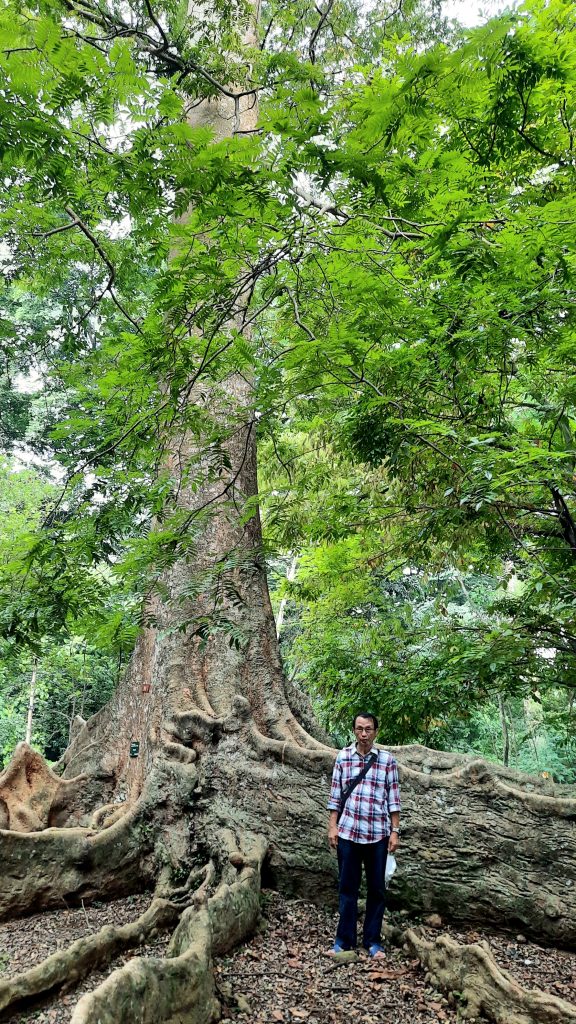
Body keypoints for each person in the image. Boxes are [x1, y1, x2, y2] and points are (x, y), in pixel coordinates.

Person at [327, 711, 400, 958]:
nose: (364, 734)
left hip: (378, 835)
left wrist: (395, 831)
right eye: (359, 729)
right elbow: (335, 797)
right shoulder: (343, 757)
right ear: (354, 731)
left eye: (368, 729)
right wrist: (332, 826)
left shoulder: (387, 761)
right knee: (347, 889)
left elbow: (393, 799)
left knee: (377, 890)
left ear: (375, 732)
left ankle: (372, 941)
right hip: (348, 833)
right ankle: (344, 940)